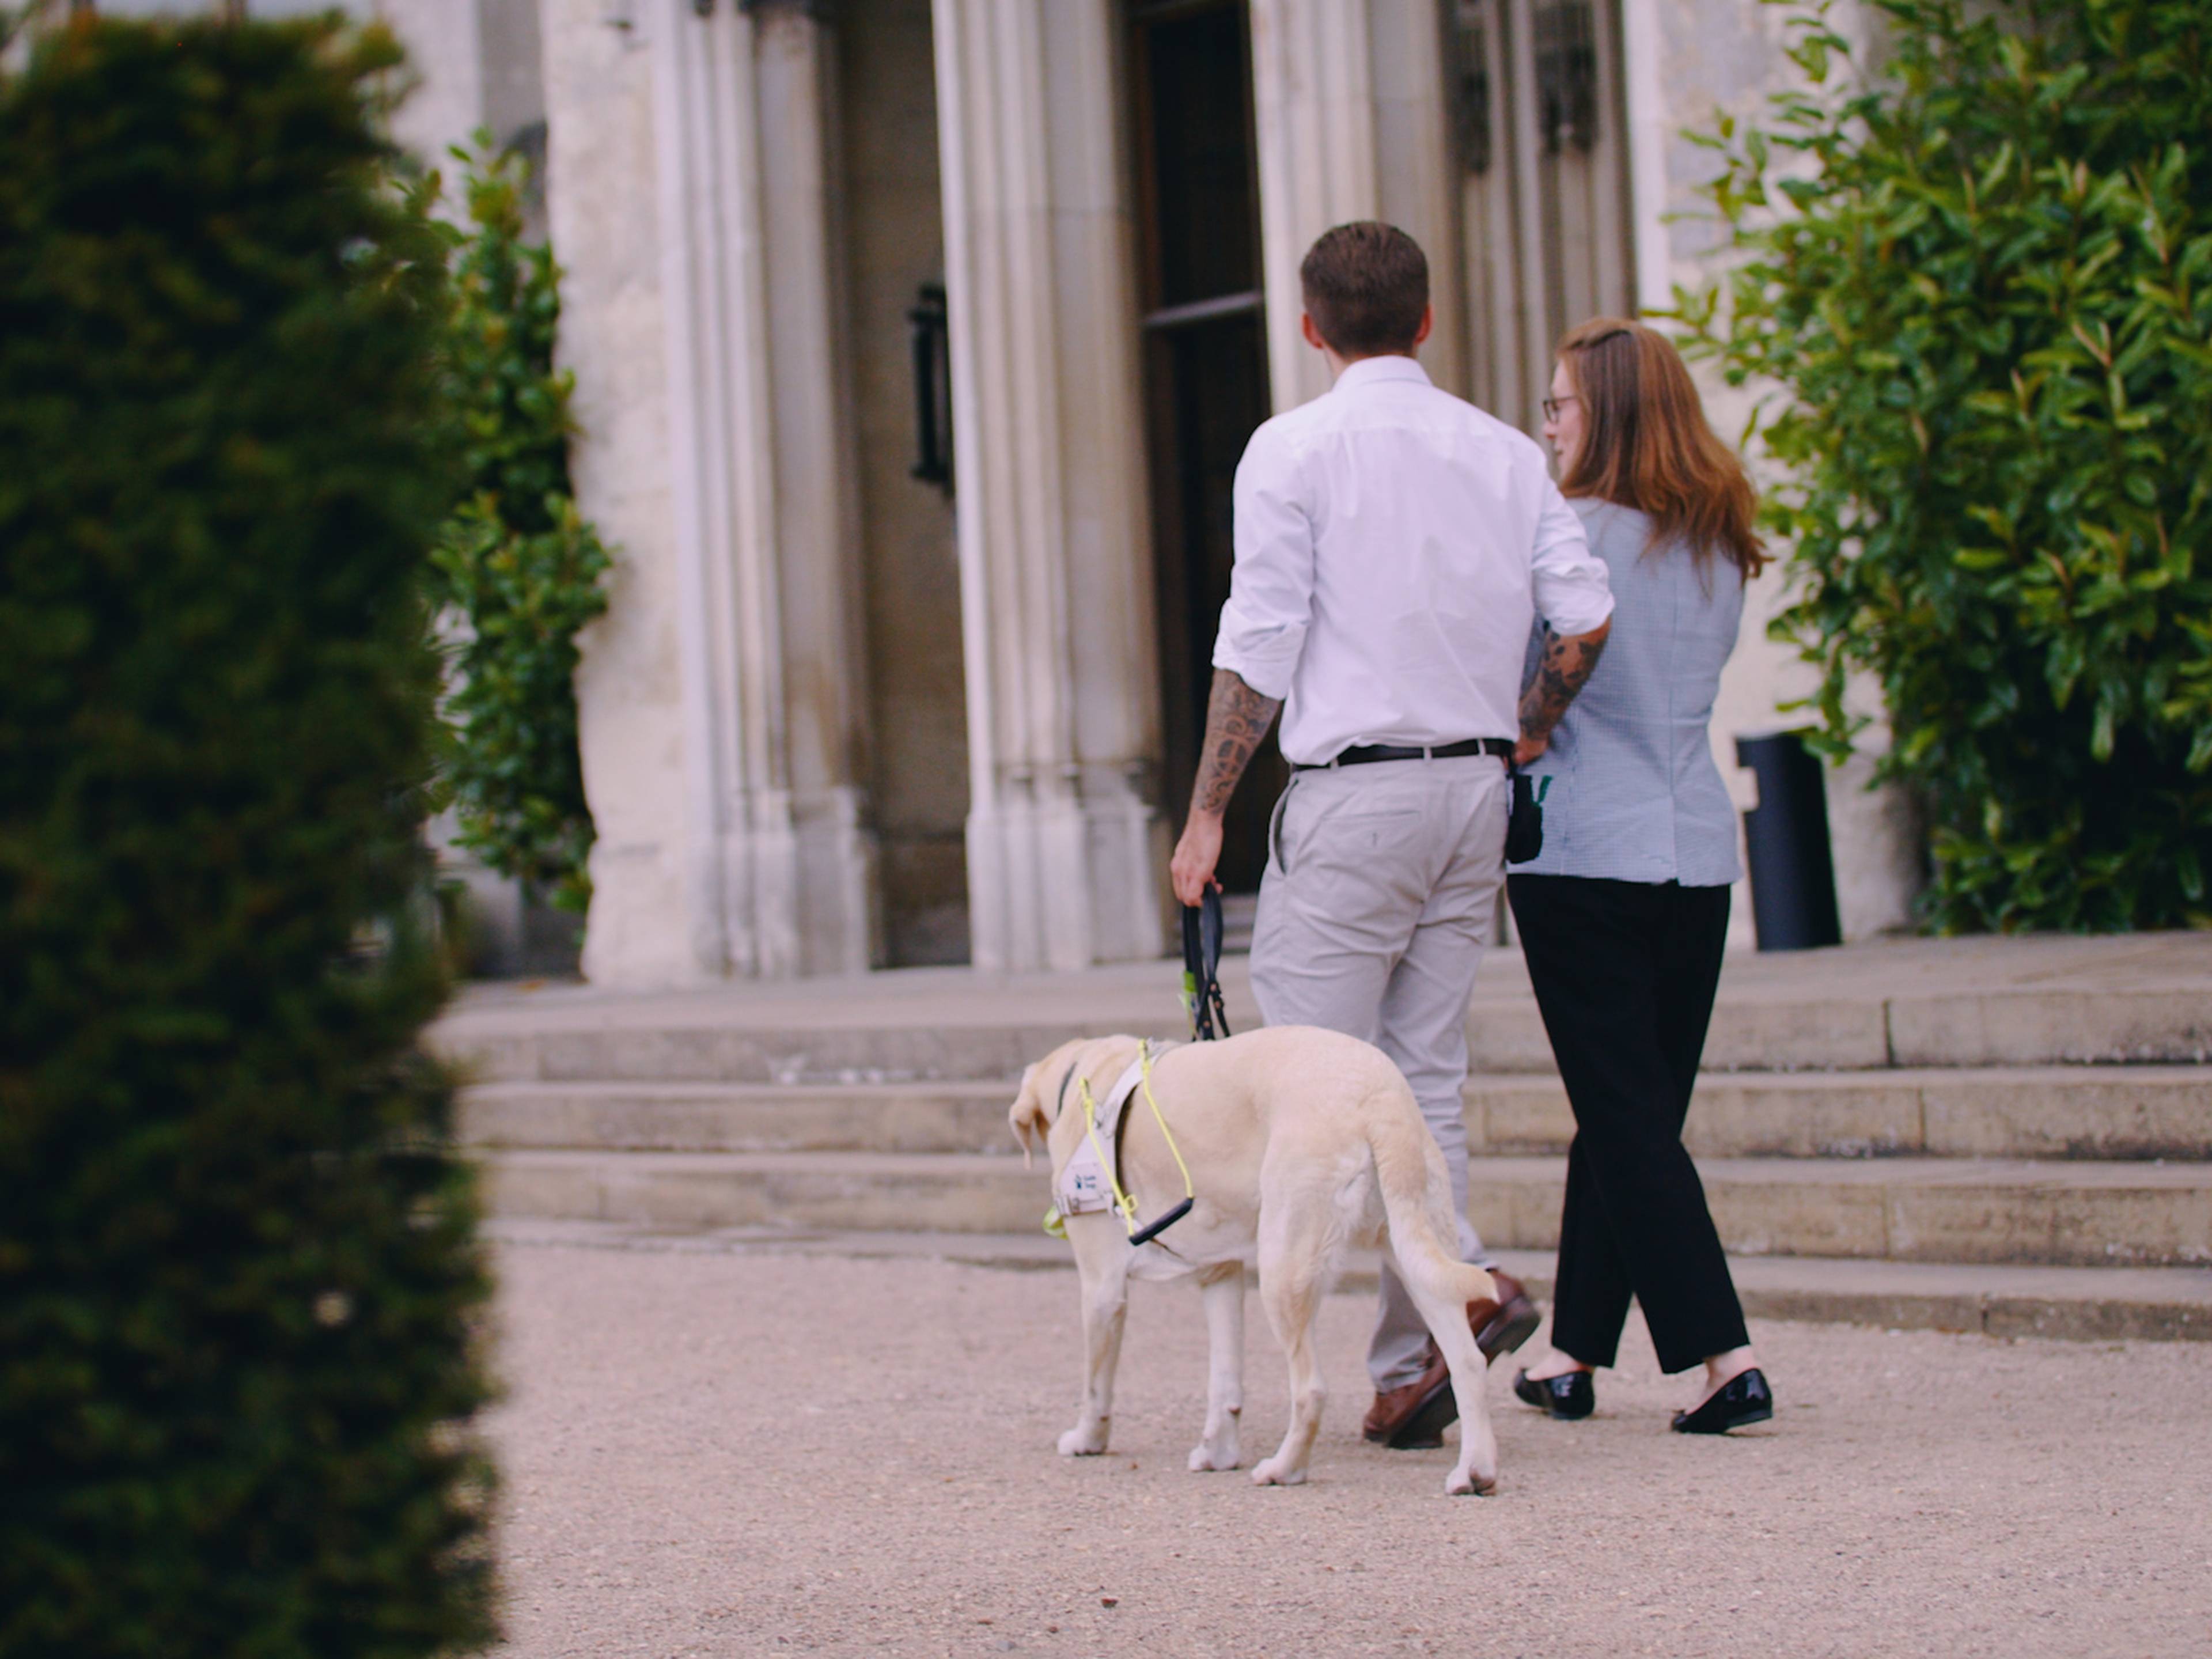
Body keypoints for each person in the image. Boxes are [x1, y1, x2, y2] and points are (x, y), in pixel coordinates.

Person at [1168, 222, 1615, 1452]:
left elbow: (1261, 643)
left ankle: (1460, 1286)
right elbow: (1584, 616)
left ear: (1311, 328)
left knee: (1315, 1089)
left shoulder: (1291, 449)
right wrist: (1528, 729)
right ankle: (1418, 1361)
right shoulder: (1503, 451)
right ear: (1425, 320)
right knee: (1425, 1083)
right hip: (1474, 790)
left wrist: (1207, 812)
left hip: (1356, 794)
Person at [1506, 317, 1775, 1434]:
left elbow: (1531, 678)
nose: (1549, 427)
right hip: (1695, 853)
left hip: (1581, 852)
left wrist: (1517, 732)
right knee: (1629, 1109)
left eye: (1560, 405)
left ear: (1605, 413)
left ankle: (1723, 1358)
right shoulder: (1717, 543)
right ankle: (1569, 1354)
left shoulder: (1567, 536)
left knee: (1626, 1116)